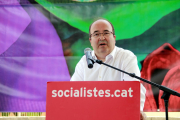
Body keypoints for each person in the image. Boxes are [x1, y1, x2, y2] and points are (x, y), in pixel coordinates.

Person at [71, 18, 147, 120]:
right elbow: (73, 93)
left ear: (114, 38)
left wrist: (136, 111)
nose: (102, 38)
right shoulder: (84, 62)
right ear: (90, 40)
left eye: (106, 33)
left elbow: (134, 88)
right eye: (96, 34)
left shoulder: (126, 57)